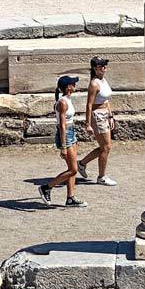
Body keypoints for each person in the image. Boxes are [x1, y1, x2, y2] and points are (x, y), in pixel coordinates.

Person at [38, 75, 87, 208]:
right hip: (65, 135)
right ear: (68, 87)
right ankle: (47, 187)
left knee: (72, 168)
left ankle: (70, 198)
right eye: (73, 83)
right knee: (73, 170)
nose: (75, 85)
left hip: (71, 133)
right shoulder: (62, 103)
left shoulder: (67, 100)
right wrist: (64, 146)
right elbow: (62, 126)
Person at [77, 57, 117, 186]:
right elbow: (89, 105)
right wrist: (87, 124)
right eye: (101, 67)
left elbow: (106, 100)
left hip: (105, 114)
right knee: (106, 147)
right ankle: (101, 176)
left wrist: (110, 115)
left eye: (104, 66)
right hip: (97, 115)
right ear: (95, 68)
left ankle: (82, 163)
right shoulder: (94, 84)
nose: (104, 69)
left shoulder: (103, 80)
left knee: (104, 147)